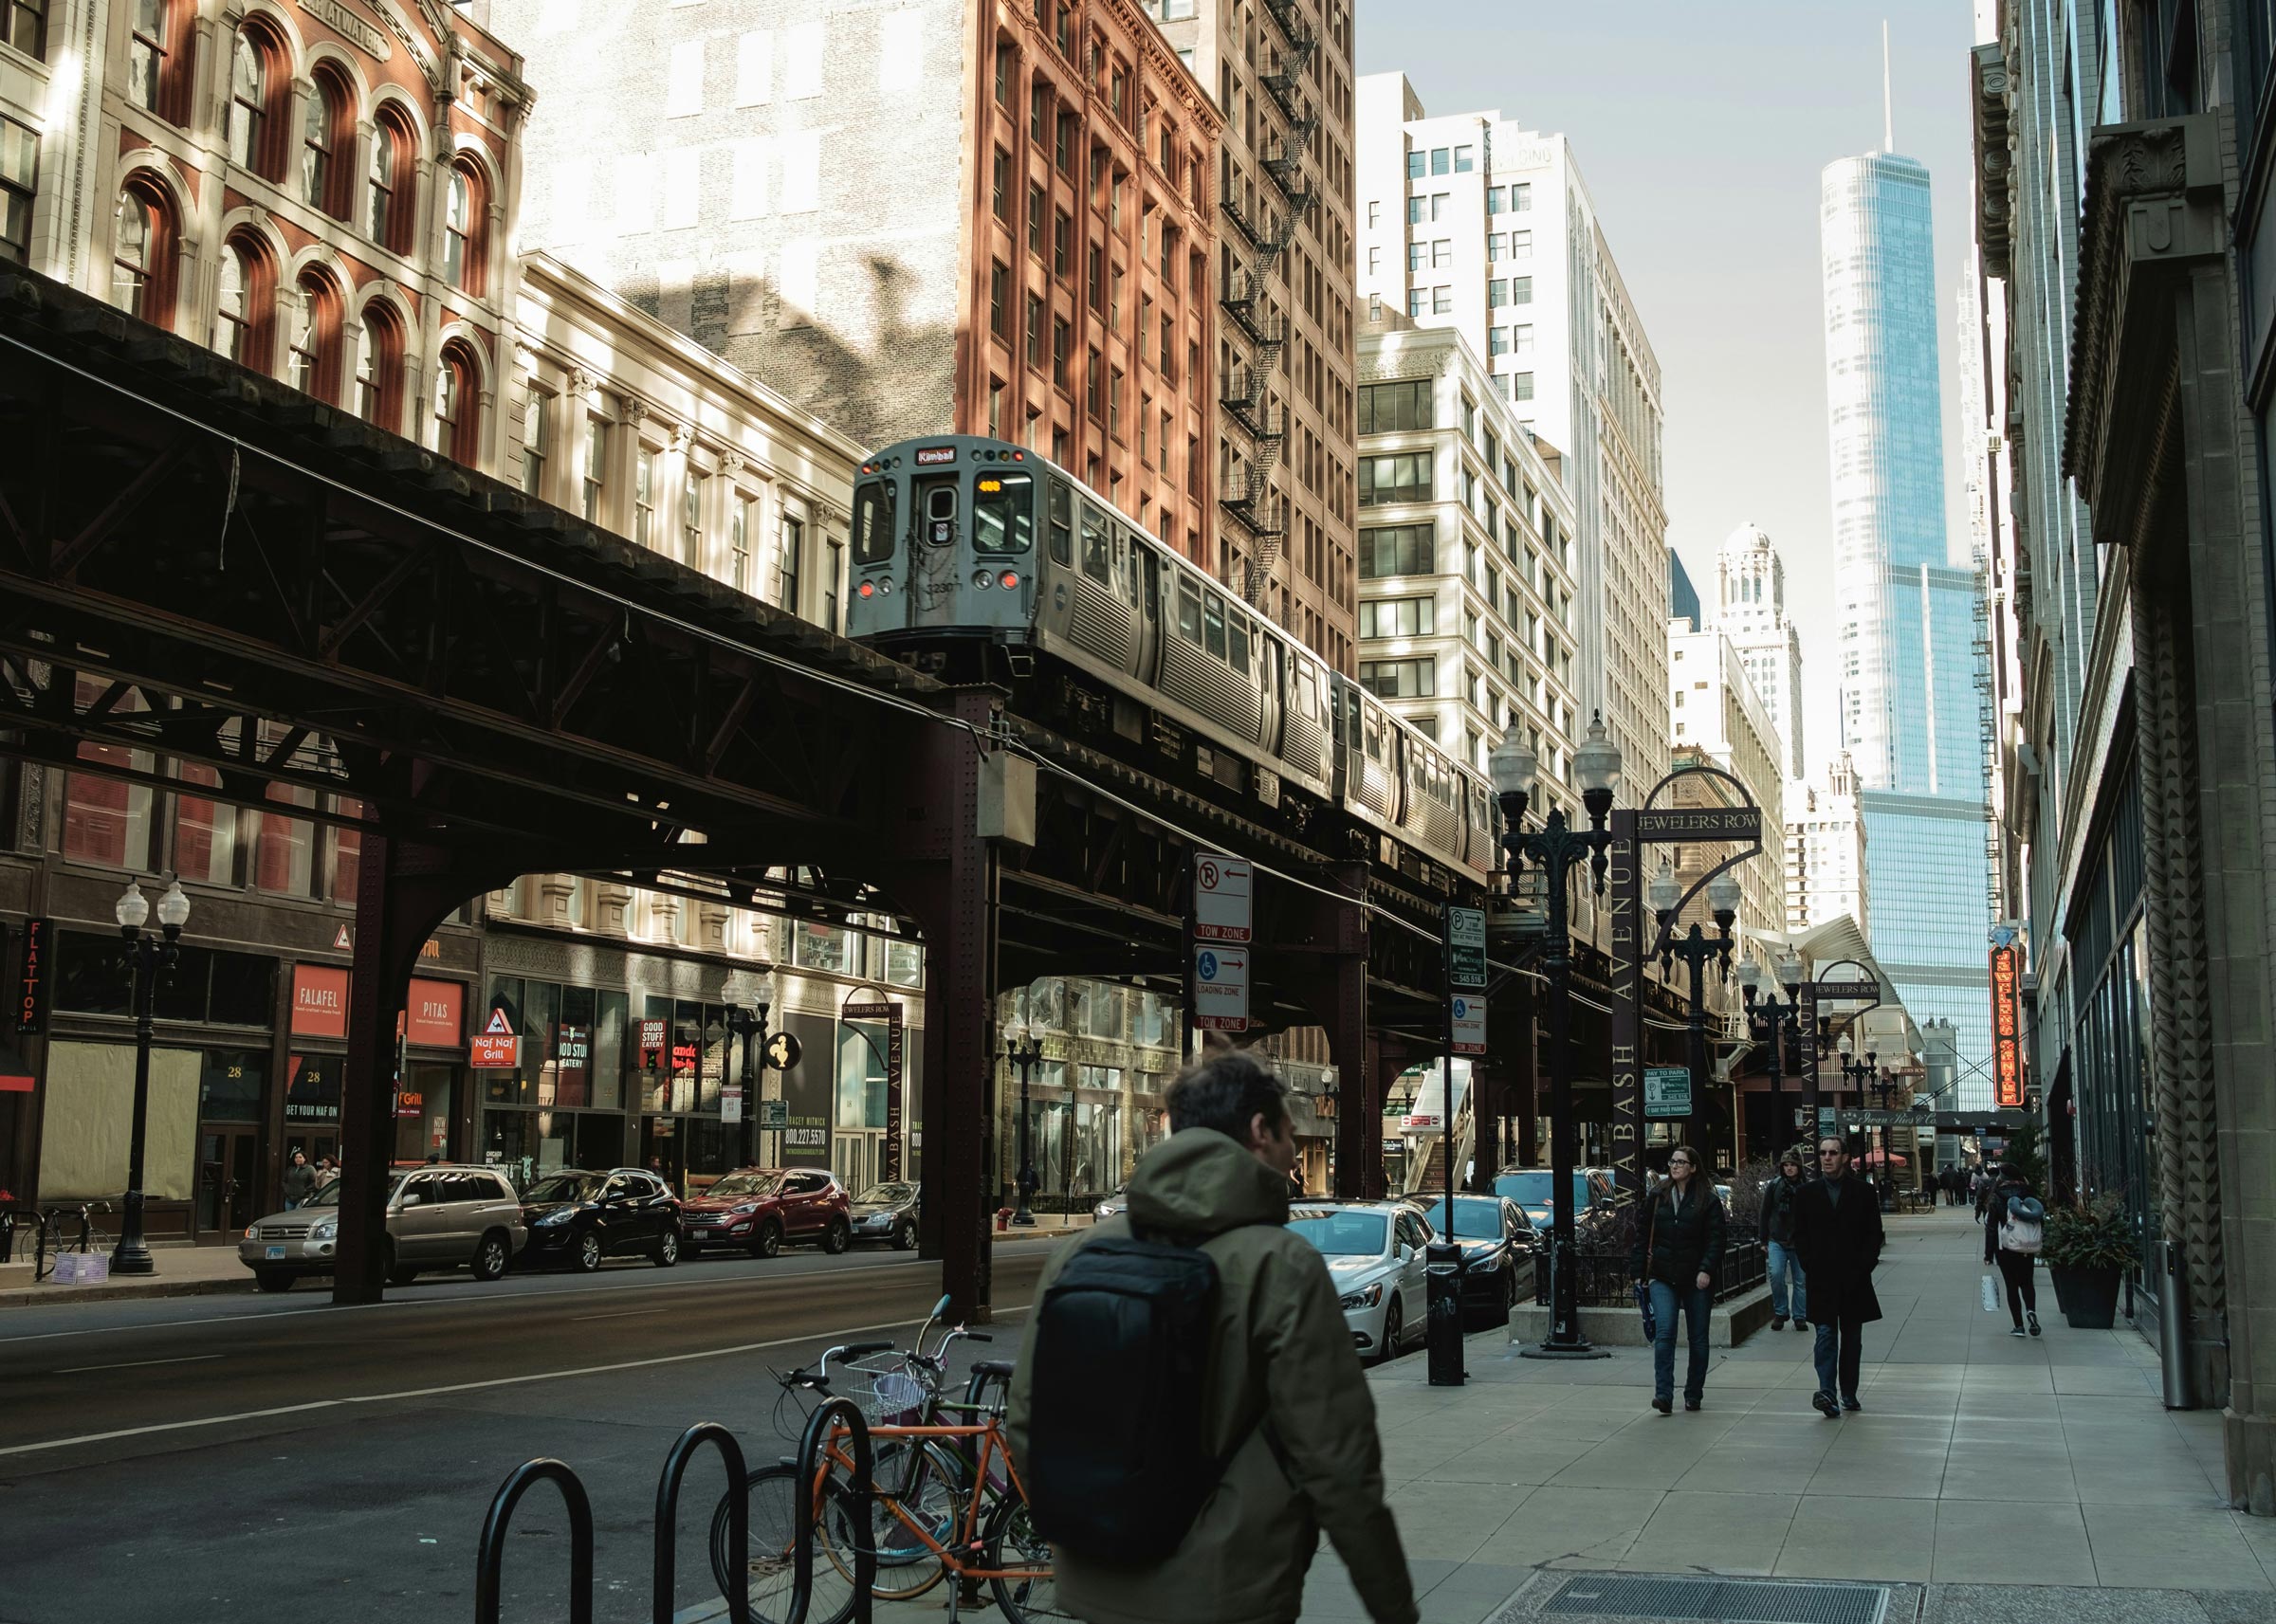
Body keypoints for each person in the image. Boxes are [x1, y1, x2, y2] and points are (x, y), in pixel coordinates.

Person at [1007, 1050, 1418, 1624]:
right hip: (1227, 1594)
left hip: (1094, 1586)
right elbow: (1341, 1467)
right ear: (1258, 1132)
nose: (1295, 1153)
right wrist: (1394, 1608)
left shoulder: (1081, 1253)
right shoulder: (1281, 1265)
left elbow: (1025, 1421)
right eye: (1287, 1135)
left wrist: (1091, 1526)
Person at [1789, 1136, 1885, 1417]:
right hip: (1822, 1277)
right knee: (1826, 1334)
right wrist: (1809, 1264)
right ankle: (1826, 1391)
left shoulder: (1864, 1193)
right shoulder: (1807, 1194)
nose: (1827, 1158)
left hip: (1854, 1277)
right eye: (1822, 1153)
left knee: (1852, 1338)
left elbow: (1874, 1234)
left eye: (1833, 1153)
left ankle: (1849, 1391)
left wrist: (1865, 1264)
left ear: (1844, 1157)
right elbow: (1800, 1234)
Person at [1629, 1144, 1726, 1414]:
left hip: (1696, 1278)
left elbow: (1716, 1240)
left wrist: (1706, 1269)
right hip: (1662, 1275)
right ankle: (1664, 1394)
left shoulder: (1707, 1200)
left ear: (1693, 1168)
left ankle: (1693, 1393)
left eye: (1681, 1162)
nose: (1675, 1166)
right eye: (1672, 1161)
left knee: (1698, 1338)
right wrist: (1638, 1273)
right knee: (1665, 1332)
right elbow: (1642, 1235)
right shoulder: (1658, 1196)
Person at [1984, 1161, 2043, 1337]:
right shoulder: (2029, 1193)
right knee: (2027, 1281)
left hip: (2005, 1246)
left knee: (2011, 1285)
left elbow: (1991, 1228)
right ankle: (2031, 1310)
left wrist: (1988, 1254)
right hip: (2027, 1244)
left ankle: (2019, 1326)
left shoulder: (1996, 1196)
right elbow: (2040, 1218)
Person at [1757, 1151, 1809, 1330]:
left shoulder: (1806, 1186)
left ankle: (1800, 1316)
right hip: (1776, 1238)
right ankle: (1781, 1312)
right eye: (1786, 1165)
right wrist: (1763, 1239)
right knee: (1776, 1275)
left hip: (1799, 1240)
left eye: (1793, 1165)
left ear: (1799, 1167)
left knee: (1800, 1281)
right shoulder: (1775, 1185)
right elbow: (1765, 1212)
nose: (1789, 1168)